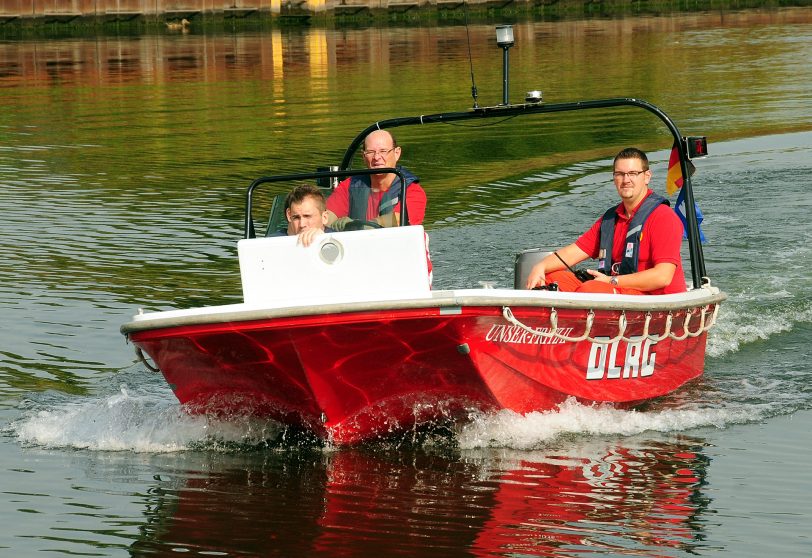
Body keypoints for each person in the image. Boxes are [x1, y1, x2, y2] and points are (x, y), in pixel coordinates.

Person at [525, 147, 687, 295]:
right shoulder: (610, 220)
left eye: (632, 173)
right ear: (614, 178)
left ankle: (574, 319)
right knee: (550, 278)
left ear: (646, 177)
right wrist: (540, 266)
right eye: (620, 174)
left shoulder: (664, 217)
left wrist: (611, 281)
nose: (626, 180)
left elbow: (663, 277)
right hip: (617, 292)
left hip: (656, 301)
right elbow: (573, 252)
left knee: (591, 289)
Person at [325, 130, 427, 230]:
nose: (377, 157)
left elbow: (398, 220)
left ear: (397, 153)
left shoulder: (413, 191)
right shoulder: (349, 186)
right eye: (370, 152)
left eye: (383, 151)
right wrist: (330, 223)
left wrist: (358, 225)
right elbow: (327, 215)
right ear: (363, 156)